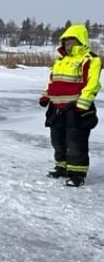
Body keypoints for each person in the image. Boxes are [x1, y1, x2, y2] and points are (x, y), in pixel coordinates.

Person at [40, 24, 101, 187]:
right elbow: (53, 81)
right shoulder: (60, 60)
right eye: (65, 41)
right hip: (56, 108)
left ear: (80, 41)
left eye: (71, 41)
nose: (67, 44)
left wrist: (82, 104)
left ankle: (77, 174)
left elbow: (93, 84)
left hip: (76, 108)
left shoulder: (90, 59)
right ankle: (61, 167)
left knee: (76, 142)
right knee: (57, 140)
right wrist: (45, 96)